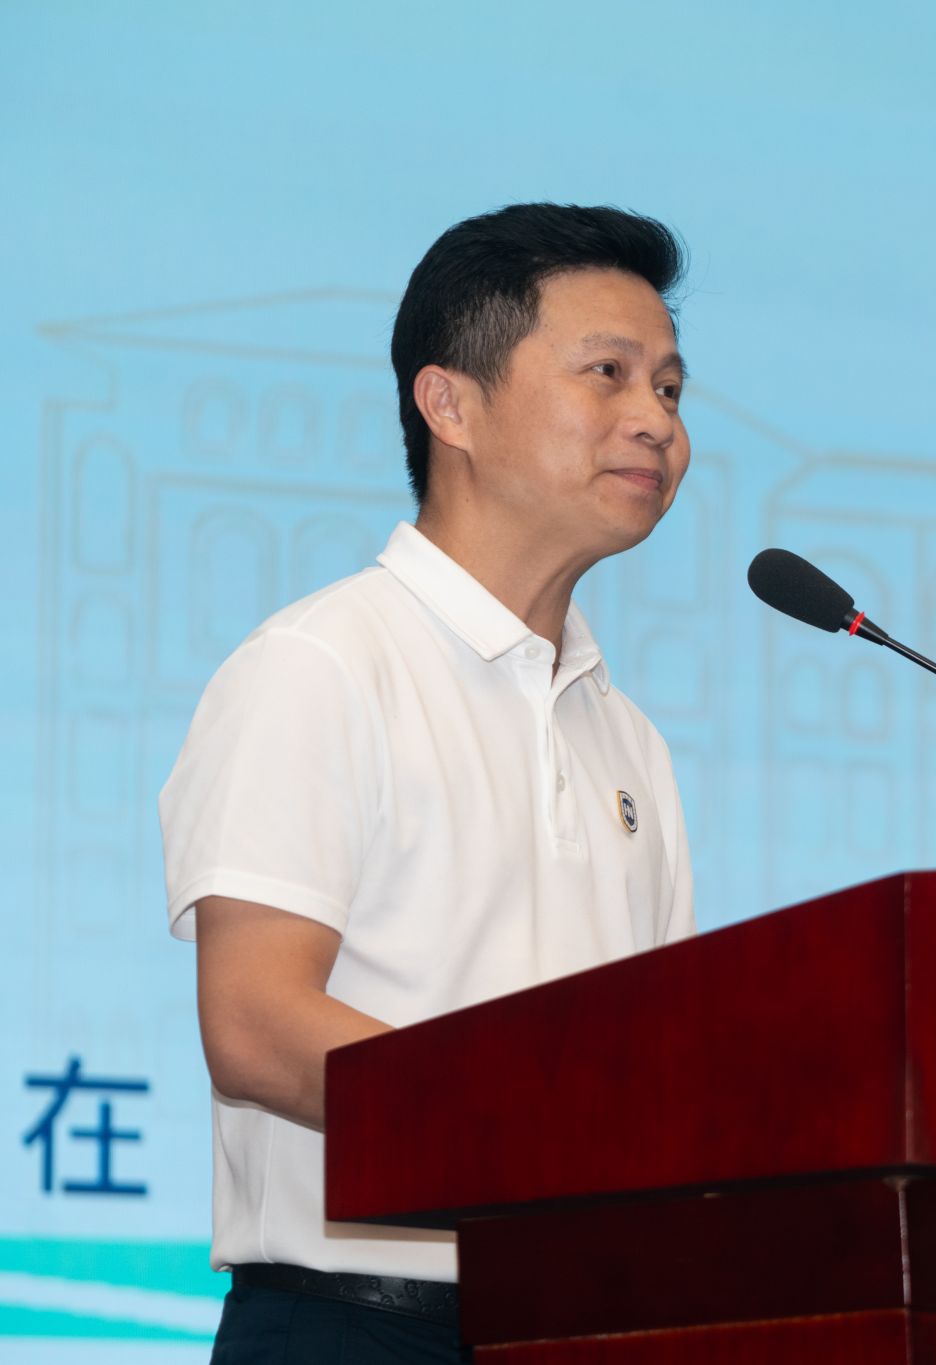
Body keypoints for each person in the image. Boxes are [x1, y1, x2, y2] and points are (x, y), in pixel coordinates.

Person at [159, 203, 697, 1364]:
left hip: (587, 1327)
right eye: (607, 374)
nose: (655, 420)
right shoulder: (322, 664)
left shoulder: (629, 742)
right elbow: (254, 1023)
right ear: (449, 404)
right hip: (356, 1324)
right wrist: (542, 1136)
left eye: (669, 388)